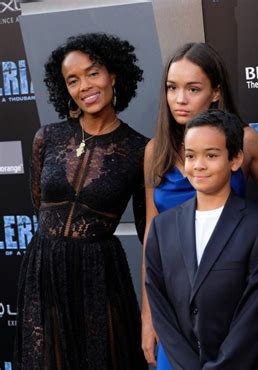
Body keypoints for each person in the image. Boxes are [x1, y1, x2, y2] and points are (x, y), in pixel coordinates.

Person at [15, 33, 148, 369]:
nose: (85, 86)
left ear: (113, 75)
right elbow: (39, 204)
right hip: (44, 268)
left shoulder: (140, 149)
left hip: (99, 274)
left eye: (93, 73)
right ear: (65, 89)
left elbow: (150, 233)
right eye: (72, 80)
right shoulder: (47, 137)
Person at [140, 42, 258, 368]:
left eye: (192, 88)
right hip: (173, 311)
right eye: (172, 88)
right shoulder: (154, 151)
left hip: (232, 307)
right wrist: (148, 316)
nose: (180, 99)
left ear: (215, 92)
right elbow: (150, 232)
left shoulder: (247, 142)